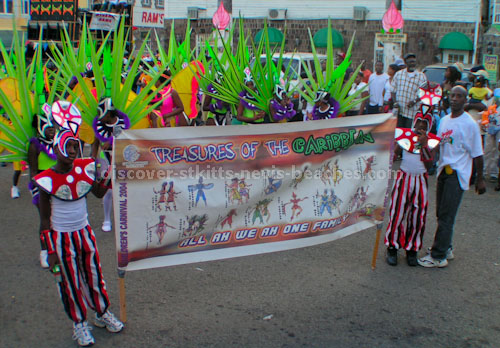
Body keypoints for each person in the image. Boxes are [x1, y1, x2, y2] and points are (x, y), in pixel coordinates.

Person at [35, 127, 123, 346]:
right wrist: (49, 251)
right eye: (69, 146)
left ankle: (101, 313)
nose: (73, 151)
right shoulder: (46, 181)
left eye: (76, 146)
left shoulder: (84, 170)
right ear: (56, 147)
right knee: (69, 282)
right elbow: (44, 220)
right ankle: (79, 323)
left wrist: (111, 171)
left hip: (84, 233)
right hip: (61, 238)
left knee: (94, 275)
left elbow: (100, 192)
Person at [418, 86, 486, 268]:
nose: (455, 99)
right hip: (443, 171)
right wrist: (427, 146)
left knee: (447, 216)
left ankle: (438, 256)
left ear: (466, 100)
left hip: (457, 174)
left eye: (459, 96)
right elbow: (439, 144)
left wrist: (480, 179)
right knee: (442, 213)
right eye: (452, 95)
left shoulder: (469, 124)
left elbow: (478, 154)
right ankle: (446, 246)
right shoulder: (446, 120)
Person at [385, 114, 436, 266]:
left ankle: (412, 249)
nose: (420, 126)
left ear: (429, 126)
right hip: (404, 177)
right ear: (413, 123)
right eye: (418, 123)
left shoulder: (432, 141)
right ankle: (392, 247)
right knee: (397, 213)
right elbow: (394, 155)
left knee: (417, 216)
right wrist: (394, 149)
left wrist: (424, 145)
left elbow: (429, 165)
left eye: (424, 124)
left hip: (420, 179)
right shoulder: (405, 137)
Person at [391, 53, 427, 128]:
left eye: (413, 62)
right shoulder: (399, 74)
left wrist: (414, 101)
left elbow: (424, 93)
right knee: (399, 133)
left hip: (412, 112)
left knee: (408, 134)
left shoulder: (421, 76)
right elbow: (393, 90)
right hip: (400, 112)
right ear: (406, 62)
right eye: (410, 62)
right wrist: (395, 103)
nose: (412, 64)